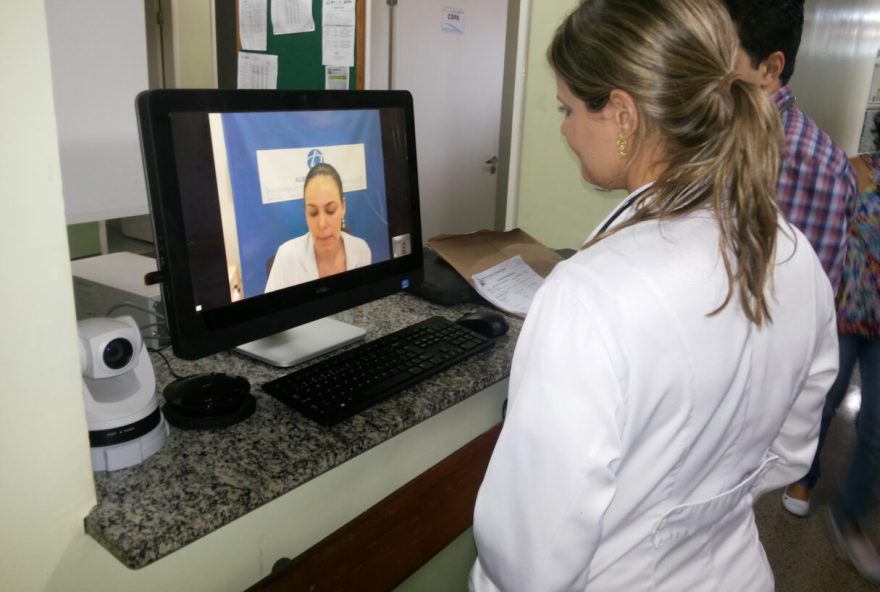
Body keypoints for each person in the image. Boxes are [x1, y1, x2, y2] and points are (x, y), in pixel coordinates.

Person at [468, 0, 838, 590]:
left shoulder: (588, 296)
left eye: (567, 108)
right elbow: (792, 452)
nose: (563, 128)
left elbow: (528, 559)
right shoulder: (791, 252)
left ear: (621, 115)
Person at [791, 112, 880, 582]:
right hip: (844, 314)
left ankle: (850, 520)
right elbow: (827, 237)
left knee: (876, 429)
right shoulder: (856, 171)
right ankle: (804, 479)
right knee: (824, 402)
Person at [722, 0, 857, 294]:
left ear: (770, 69)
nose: (707, 74)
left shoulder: (807, 163)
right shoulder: (725, 132)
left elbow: (798, 306)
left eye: (724, 60)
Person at [265, 162, 371, 292]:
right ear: (305, 213)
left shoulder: (361, 251)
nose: (322, 224)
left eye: (331, 210)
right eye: (313, 213)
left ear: (343, 207)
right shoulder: (286, 258)